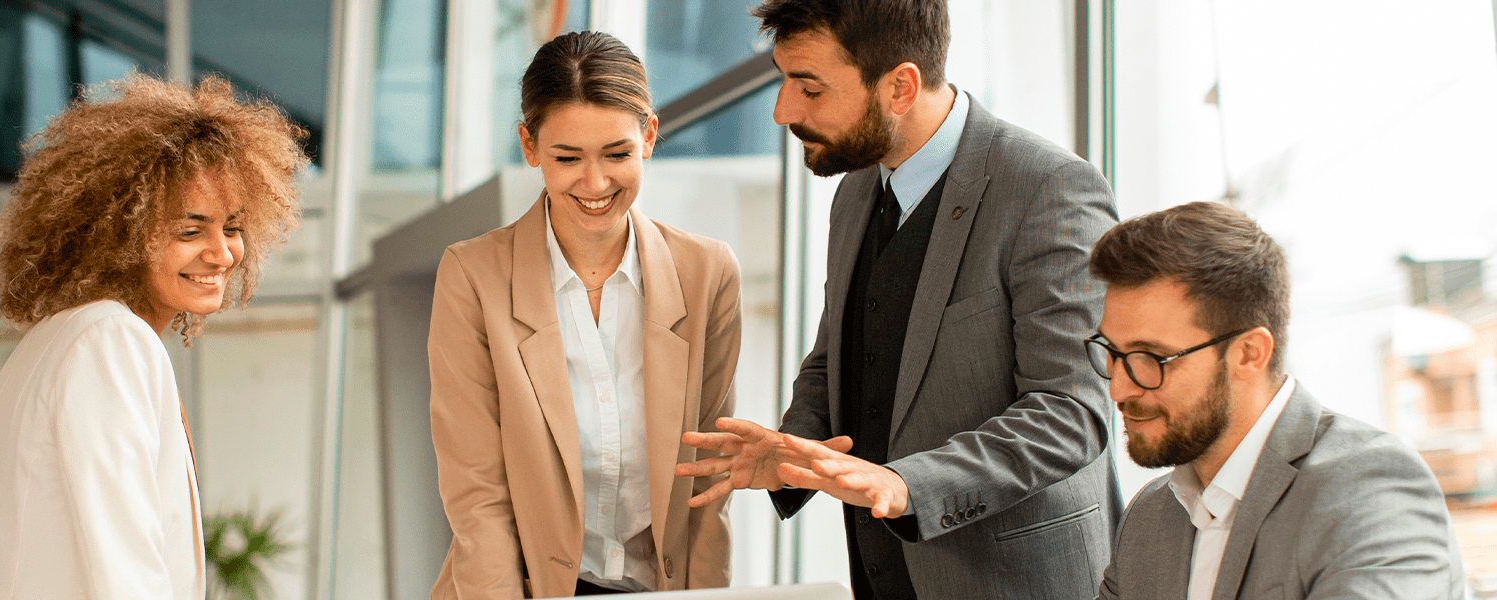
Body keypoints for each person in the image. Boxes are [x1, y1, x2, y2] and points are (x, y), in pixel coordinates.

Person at [675, 0, 1121, 597]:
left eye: (809, 87)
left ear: (901, 87)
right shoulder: (857, 190)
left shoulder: (1049, 187)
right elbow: (838, 356)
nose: (783, 111)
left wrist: (908, 486)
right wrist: (794, 448)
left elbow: (1072, 413)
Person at [0, 73, 306, 600]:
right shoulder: (109, 342)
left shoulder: (63, 339)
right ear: (120, 230)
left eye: (231, 227)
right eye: (190, 230)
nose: (223, 253)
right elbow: (124, 567)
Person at [427, 31, 742, 599]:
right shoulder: (473, 277)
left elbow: (708, 485)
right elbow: (479, 497)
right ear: (529, 146)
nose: (595, 184)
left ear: (648, 135)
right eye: (566, 158)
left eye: (617, 154)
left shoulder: (707, 274)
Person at [1090, 201, 1464, 599]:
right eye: (1111, 353)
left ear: (1249, 353)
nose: (1118, 389)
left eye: (1150, 358)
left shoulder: (1371, 488)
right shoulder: (1148, 517)